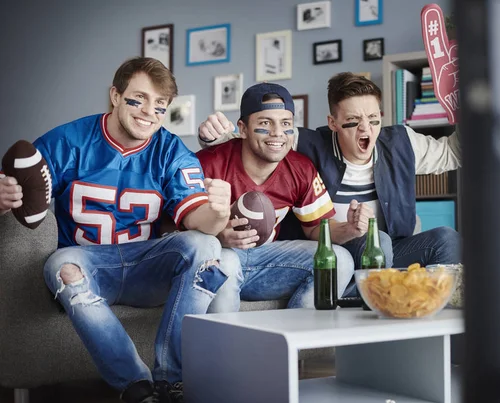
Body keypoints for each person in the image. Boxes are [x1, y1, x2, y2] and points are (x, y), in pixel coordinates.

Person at [0, 57, 232, 403]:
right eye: (138, 99)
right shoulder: (69, 140)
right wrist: (6, 196)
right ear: (115, 95)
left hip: (145, 270)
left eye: (160, 106)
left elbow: (200, 222)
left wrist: (219, 212)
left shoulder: (172, 152)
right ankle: (137, 387)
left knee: (206, 247)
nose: (148, 112)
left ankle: (173, 381)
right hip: (87, 266)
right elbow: (25, 192)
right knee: (60, 267)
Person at [198, 73, 461, 297]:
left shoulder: (404, 143)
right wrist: (211, 137)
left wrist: (470, 108)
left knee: (446, 239)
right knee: (376, 239)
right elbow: (255, 142)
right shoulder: (304, 142)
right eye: (353, 121)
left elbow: (454, 153)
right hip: (332, 245)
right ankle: (363, 302)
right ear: (333, 123)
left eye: (373, 119)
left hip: (391, 247)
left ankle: (429, 314)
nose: (365, 129)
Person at [195, 82, 361, 312]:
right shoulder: (207, 163)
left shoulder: (300, 168)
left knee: (339, 260)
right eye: (265, 123)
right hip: (219, 255)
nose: (277, 133)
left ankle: (301, 341)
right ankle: (228, 346)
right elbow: (174, 230)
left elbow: (316, 229)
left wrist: (351, 228)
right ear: (242, 129)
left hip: (265, 259)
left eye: (285, 124)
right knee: (227, 263)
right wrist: (218, 235)